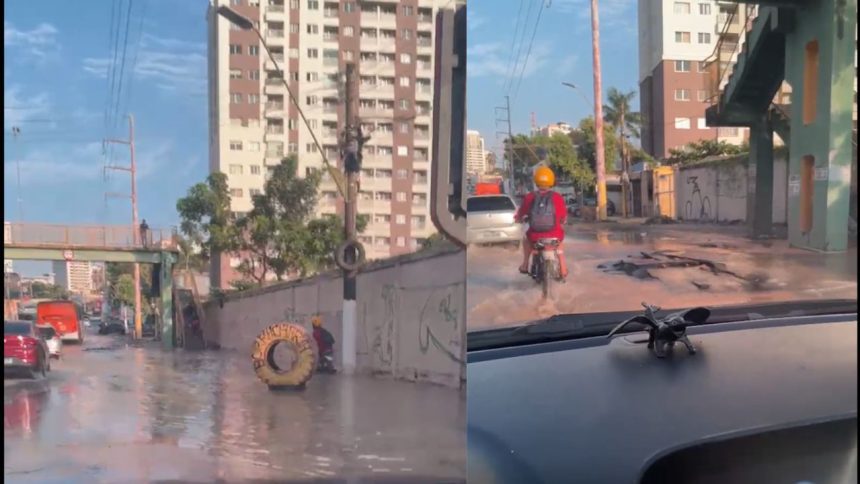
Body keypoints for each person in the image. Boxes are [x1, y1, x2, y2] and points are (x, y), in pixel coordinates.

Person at [514, 166, 569, 279]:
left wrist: (518, 218)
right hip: (555, 235)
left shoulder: (529, 197)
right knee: (560, 239)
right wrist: (563, 220)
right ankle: (563, 267)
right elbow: (563, 217)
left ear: (536, 181)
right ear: (551, 181)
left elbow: (520, 214)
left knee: (526, 239)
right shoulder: (557, 197)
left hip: (535, 236)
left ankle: (525, 264)